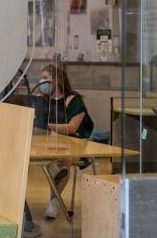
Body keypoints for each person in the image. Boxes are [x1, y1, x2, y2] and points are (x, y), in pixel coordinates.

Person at [38, 64, 94, 220]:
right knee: (49, 158)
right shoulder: (44, 100)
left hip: (76, 141)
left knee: (65, 160)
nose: (41, 82)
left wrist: (47, 126)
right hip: (51, 142)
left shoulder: (74, 100)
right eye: (41, 78)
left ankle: (53, 202)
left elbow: (72, 127)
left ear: (57, 81)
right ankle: (55, 172)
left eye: (45, 78)